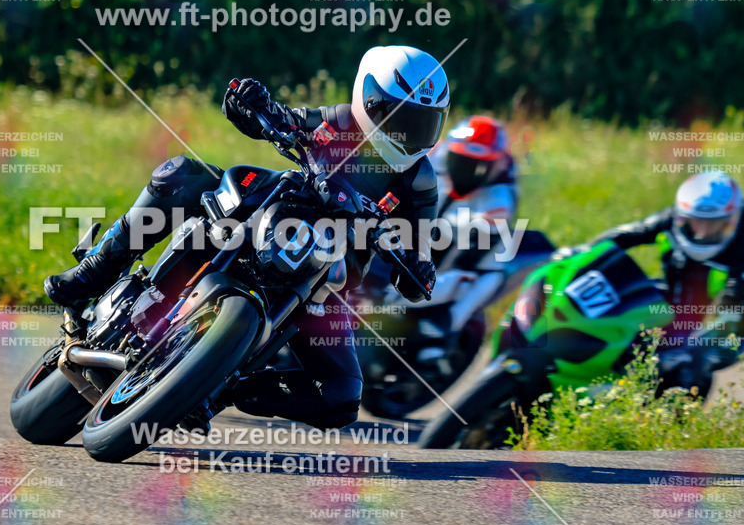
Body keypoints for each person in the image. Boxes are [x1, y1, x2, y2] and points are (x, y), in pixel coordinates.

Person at [44, 45, 451, 428]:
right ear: (370, 101)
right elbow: (287, 120)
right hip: (282, 209)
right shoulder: (339, 122)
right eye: (399, 117)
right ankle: (93, 271)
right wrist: (257, 104)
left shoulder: (419, 185)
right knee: (183, 174)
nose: (407, 134)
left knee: (342, 397)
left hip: (325, 283)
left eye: (421, 123)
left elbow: (419, 255)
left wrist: (419, 269)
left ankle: (218, 387)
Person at [592, 170, 744, 394]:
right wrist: (583, 256)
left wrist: (699, 346)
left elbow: (735, 297)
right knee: (643, 302)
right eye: (696, 222)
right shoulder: (672, 218)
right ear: (683, 215)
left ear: (733, 219)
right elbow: (624, 236)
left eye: (714, 224)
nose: (702, 232)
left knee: (703, 352)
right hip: (678, 287)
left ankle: (685, 388)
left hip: (721, 300)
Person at [362, 115, 519, 357]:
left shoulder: (500, 197)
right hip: (433, 219)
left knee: (479, 278)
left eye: (476, 163)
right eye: (460, 158)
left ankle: (443, 333)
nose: (465, 169)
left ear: (493, 164)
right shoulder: (436, 152)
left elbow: (454, 234)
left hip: (469, 247)